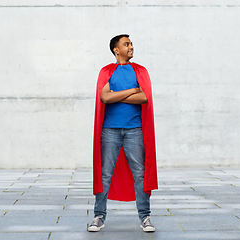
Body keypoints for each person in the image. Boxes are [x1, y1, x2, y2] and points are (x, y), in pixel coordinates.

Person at [88, 34, 158, 233]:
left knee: (140, 173)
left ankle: (145, 217)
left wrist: (117, 95)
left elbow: (144, 97)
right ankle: (98, 216)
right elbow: (104, 98)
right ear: (116, 50)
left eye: (131, 44)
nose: (131, 47)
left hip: (134, 130)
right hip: (109, 130)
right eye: (126, 44)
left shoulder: (140, 71)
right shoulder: (107, 71)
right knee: (105, 174)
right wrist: (131, 91)